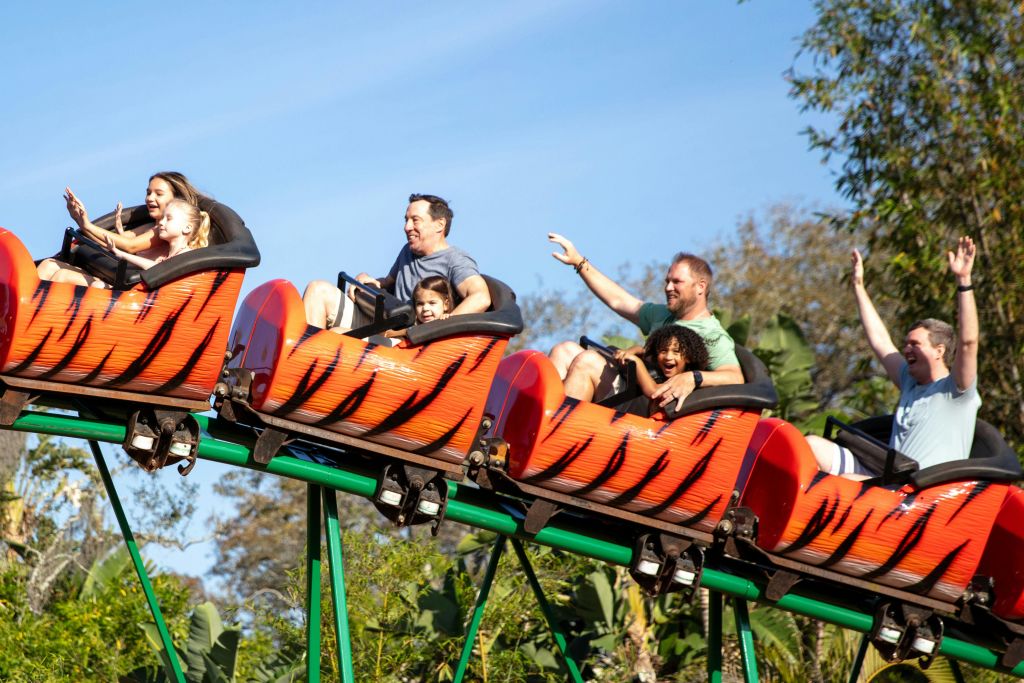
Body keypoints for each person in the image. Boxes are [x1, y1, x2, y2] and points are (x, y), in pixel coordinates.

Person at [808, 236, 980, 479]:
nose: (906, 349)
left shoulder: (956, 390)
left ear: (939, 351)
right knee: (811, 445)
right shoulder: (909, 382)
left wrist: (964, 281)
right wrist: (858, 287)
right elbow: (880, 340)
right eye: (906, 344)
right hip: (887, 478)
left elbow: (969, 342)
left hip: (920, 490)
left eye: (915, 344)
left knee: (846, 483)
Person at [547, 233, 743, 411]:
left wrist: (693, 377)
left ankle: (553, 430)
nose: (668, 288)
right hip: (628, 384)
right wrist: (579, 262)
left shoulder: (711, 333)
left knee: (587, 361)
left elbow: (735, 377)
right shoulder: (663, 315)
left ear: (701, 287)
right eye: (667, 281)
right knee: (564, 350)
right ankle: (537, 420)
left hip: (645, 405)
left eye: (676, 282)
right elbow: (619, 300)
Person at [302, 194, 491, 331]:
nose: (407, 227)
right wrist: (368, 281)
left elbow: (481, 297)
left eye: (415, 220)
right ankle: (302, 358)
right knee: (317, 289)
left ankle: (311, 363)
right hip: (383, 322)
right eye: (406, 220)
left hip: (407, 340)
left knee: (337, 335)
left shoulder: (455, 260)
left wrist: (441, 325)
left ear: (439, 224)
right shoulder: (408, 251)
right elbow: (387, 282)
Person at [37, 171, 203, 284]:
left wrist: (87, 224)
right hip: (113, 275)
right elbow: (116, 241)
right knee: (48, 265)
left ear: (176, 200)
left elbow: (129, 246)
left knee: (62, 276)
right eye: (148, 193)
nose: (150, 198)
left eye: (158, 194)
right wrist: (82, 223)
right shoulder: (152, 225)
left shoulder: (162, 232)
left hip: (128, 288)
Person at [614, 325, 709, 417]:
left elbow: (654, 391)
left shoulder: (686, 381)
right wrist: (629, 352)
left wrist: (636, 362)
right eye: (663, 351)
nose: (668, 357)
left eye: (676, 352)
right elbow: (642, 350)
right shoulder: (659, 367)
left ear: (688, 357)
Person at [105, 199, 210, 270]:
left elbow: (159, 270)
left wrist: (121, 254)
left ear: (187, 228)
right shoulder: (164, 256)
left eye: (168, 219)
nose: (161, 222)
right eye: (162, 218)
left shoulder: (188, 255)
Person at [384, 276, 456, 339]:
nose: (425, 308)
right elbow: (387, 334)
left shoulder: (448, 320)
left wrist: (447, 319)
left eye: (432, 303)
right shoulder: (412, 325)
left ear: (446, 305)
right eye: (420, 304)